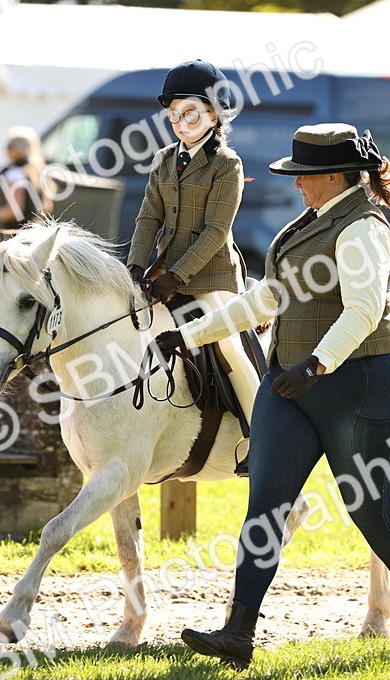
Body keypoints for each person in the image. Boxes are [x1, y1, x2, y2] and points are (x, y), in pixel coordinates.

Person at [156, 123, 390, 667]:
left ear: (335, 177)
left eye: (304, 176)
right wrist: (192, 334)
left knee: (369, 509)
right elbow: (266, 299)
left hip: (363, 383)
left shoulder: (362, 228)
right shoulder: (311, 223)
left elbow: (364, 310)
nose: (296, 184)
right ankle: (238, 632)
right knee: (266, 506)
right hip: (293, 383)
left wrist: (316, 365)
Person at [126, 59, 261, 459]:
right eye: (174, 115)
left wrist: (178, 276)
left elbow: (215, 232)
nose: (180, 123)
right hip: (164, 274)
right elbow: (148, 218)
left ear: (214, 115)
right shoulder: (164, 159)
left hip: (212, 277)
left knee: (229, 349)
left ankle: (261, 438)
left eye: (190, 113)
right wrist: (135, 267)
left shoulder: (227, 164)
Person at [0, 125, 53, 229]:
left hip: (17, 233)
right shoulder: (39, 171)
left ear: (19, 148)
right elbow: (47, 207)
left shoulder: (15, 173)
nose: (7, 150)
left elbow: (13, 211)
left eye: (10, 146)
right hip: (37, 231)